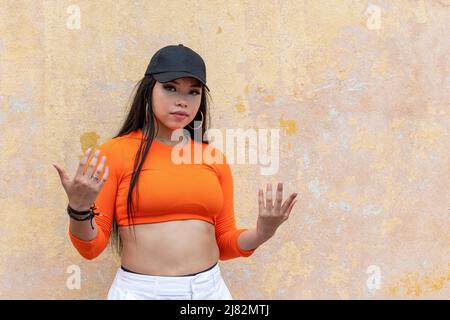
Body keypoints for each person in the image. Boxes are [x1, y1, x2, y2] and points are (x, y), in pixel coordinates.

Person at [53, 44, 298, 300]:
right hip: (142, 293)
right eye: (170, 88)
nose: (183, 101)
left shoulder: (212, 158)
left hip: (209, 291)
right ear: (148, 91)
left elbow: (224, 242)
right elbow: (91, 248)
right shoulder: (114, 153)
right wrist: (79, 209)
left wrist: (262, 233)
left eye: (193, 92)